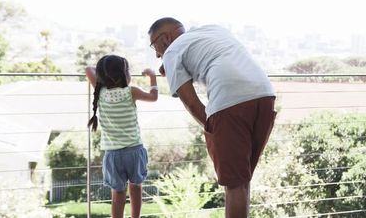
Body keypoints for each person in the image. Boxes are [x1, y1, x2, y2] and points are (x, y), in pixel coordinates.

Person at [148, 17, 277, 218]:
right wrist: (171, 63)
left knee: (233, 185)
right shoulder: (213, 29)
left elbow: (190, 102)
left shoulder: (171, 52)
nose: (157, 55)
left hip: (230, 102)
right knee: (242, 180)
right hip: (265, 96)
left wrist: (211, 127)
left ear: (165, 38)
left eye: (154, 46)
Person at [85, 55, 158, 218]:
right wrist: (153, 77)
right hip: (134, 150)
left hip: (113, 154)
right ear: (124, 75)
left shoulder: (101, 93)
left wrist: (105, 75)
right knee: (136, 187)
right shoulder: (131, 92)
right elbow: (153, 97)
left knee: (117, 193)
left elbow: (88, 70)